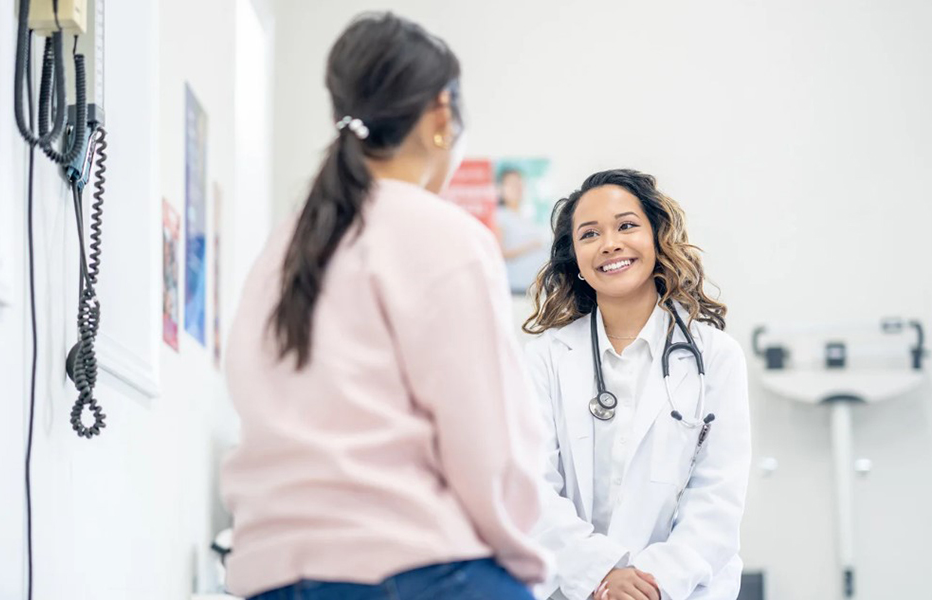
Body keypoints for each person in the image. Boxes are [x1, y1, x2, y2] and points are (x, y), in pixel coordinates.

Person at [220, 12, 551, 600]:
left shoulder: (285, 247)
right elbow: (489, 456)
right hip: (415, 572)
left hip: (266, 579)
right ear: (442, 115)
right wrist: (525, 571)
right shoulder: (445, 235)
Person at [522, 169, 750, 600]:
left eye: (627, 225)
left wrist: (650, 584)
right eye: (590, 234)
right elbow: (530, 489)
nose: (610, 243)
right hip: (577, 588)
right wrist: (600, 574)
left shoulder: (716, 357)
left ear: (657, 238)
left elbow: (717, 498)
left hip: (682, 589)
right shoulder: (544, 359)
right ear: (575, 259)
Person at [494, 168, 549, 293]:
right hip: (516, 286)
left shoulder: (526, 215)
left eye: (520, 184)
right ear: (501, 189)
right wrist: (532, 245)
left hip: (536, 286)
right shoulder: (500, 216)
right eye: (512, 185)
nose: (518, 188)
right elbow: (500, 253)